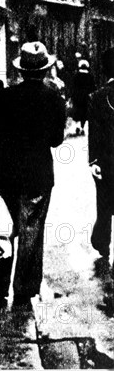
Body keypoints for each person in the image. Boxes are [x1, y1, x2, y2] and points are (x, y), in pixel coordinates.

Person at [0, 42, 66, 306]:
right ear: (45, 70)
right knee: (31, 231)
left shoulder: (6, 96)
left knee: (4, 229)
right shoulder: (54, 99)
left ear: (21, 70)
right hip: (38, 174)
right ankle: (23, 289)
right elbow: (57, 140)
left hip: (8, 173)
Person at [89, 47, 114, 262]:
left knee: (104, 202)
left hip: (106, 161)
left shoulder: (97, 97)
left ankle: (102, 242)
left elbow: (94, 133)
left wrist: (93, 160)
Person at [72, 59, 96, 135]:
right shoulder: (90, 76)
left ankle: (77, 126)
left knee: (77, 112)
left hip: (77, 97)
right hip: (86, 98)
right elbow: (93, 88)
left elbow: (73, 87)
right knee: (84, 113)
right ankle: (82, 127)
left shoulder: (76, 76)